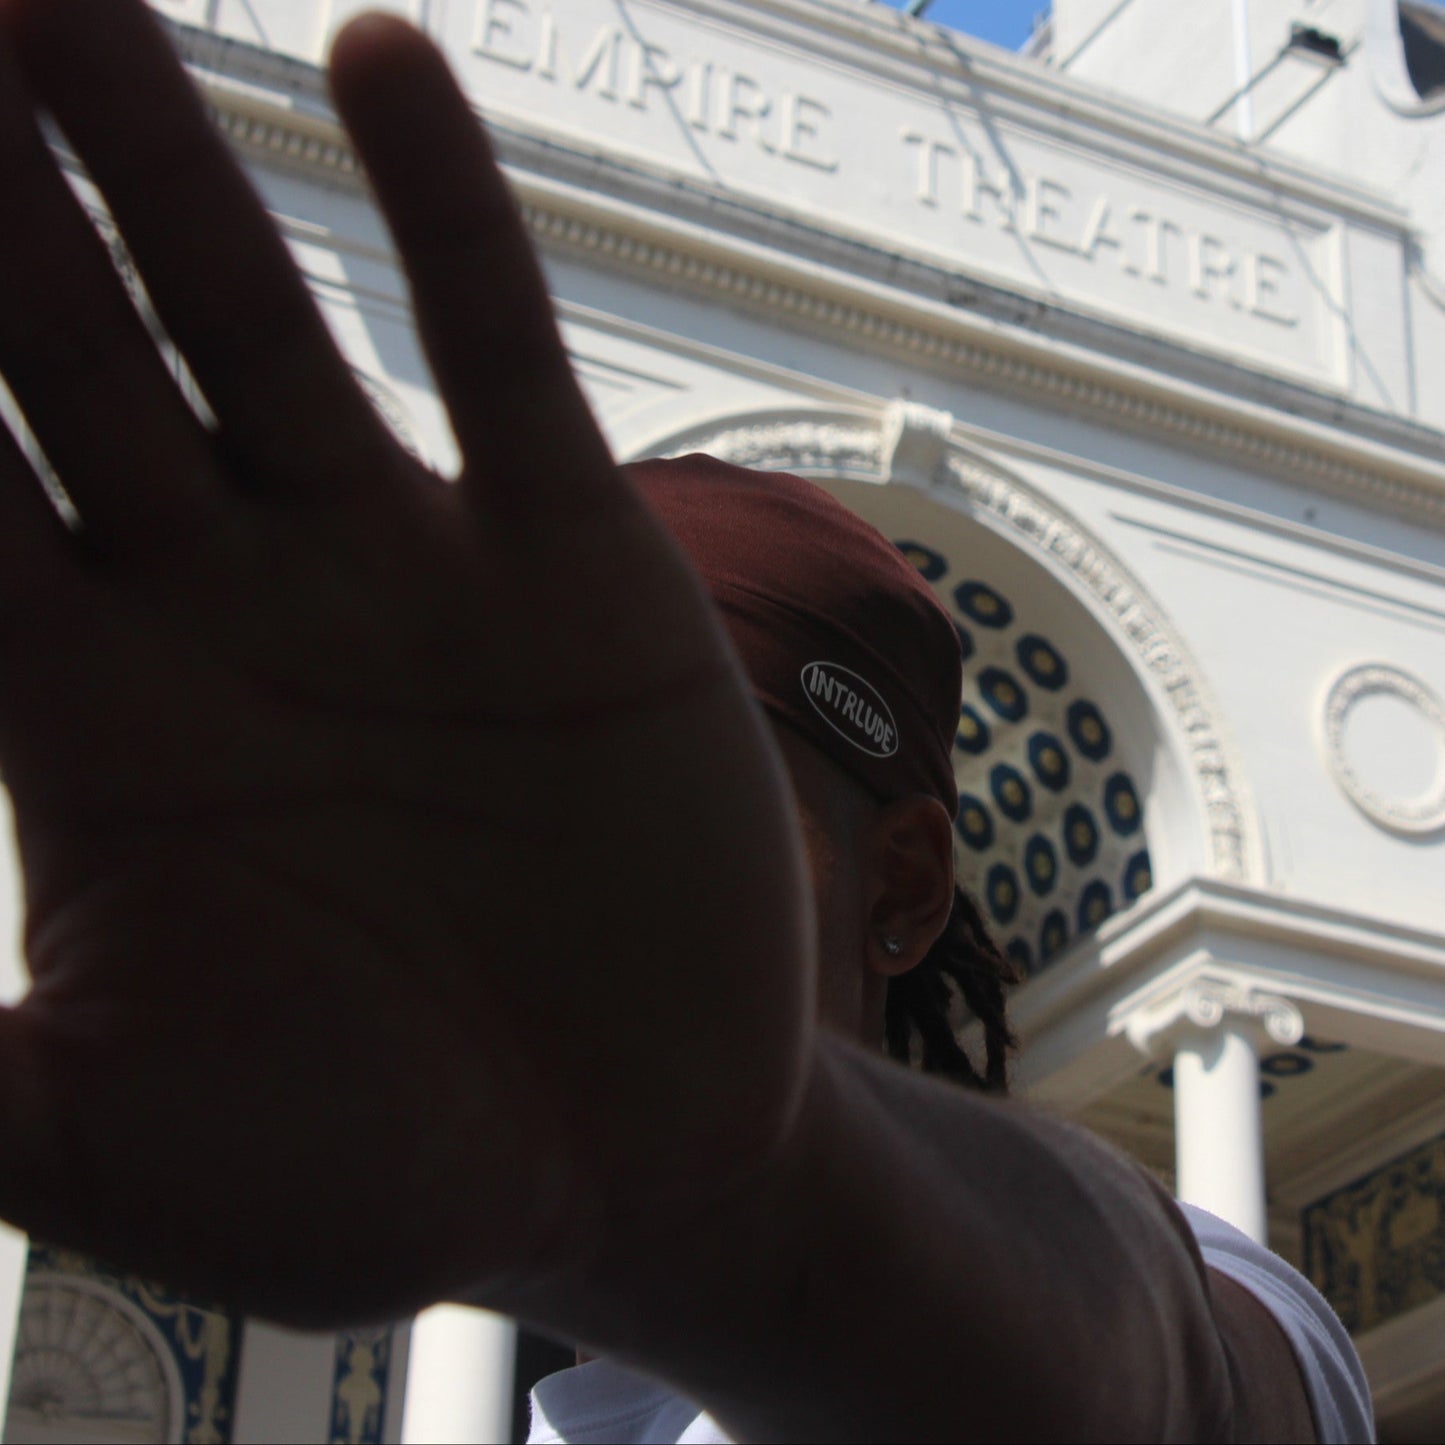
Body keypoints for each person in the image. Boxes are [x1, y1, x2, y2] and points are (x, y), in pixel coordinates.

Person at [0, 1, 1372, 1439]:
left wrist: (744, 1198)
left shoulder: (1212, 1306)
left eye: (677, 815)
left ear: (899, 884)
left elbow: (1158, 1366)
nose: (563, 891)